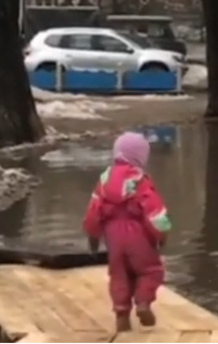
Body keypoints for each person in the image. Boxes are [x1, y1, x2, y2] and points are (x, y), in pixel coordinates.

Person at [82, 132, 171, 332]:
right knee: (151, 271)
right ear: (141, 157)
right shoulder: (140, 181)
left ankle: (122, 314)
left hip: (113, 239)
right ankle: (143, 303)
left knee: (119, 275)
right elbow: (155, 212)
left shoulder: (104, 182)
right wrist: (162, 234)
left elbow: (93, 213)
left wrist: (93, 238)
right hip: (138, 236)